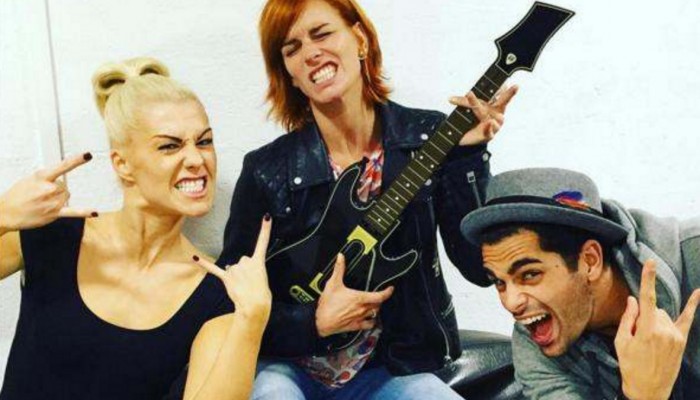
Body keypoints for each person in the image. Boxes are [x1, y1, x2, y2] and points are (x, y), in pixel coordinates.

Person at [217, 0, 518, 398]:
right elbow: (225, 300)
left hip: (389, 369)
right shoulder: (267, 170)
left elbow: (479, 267)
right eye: (292, 48)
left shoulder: (429, 139)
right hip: (288, 368)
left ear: (359, 38)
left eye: (322, 33)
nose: (311, 53)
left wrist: (468, 157)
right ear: (289, 74)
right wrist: (312, 323)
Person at [0, 57, 272, 400]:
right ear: (123, 164)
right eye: (170, 145)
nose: (196, 159)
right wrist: (3, 214)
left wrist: (252, 320)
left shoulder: (214, 294)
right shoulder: (53, 234)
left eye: (204, 142)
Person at [459, 167, 700, 399]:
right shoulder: (534, 349)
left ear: (590, 261)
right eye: (499, 282)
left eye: (530, 274)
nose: (511, 303)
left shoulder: (694, 258)